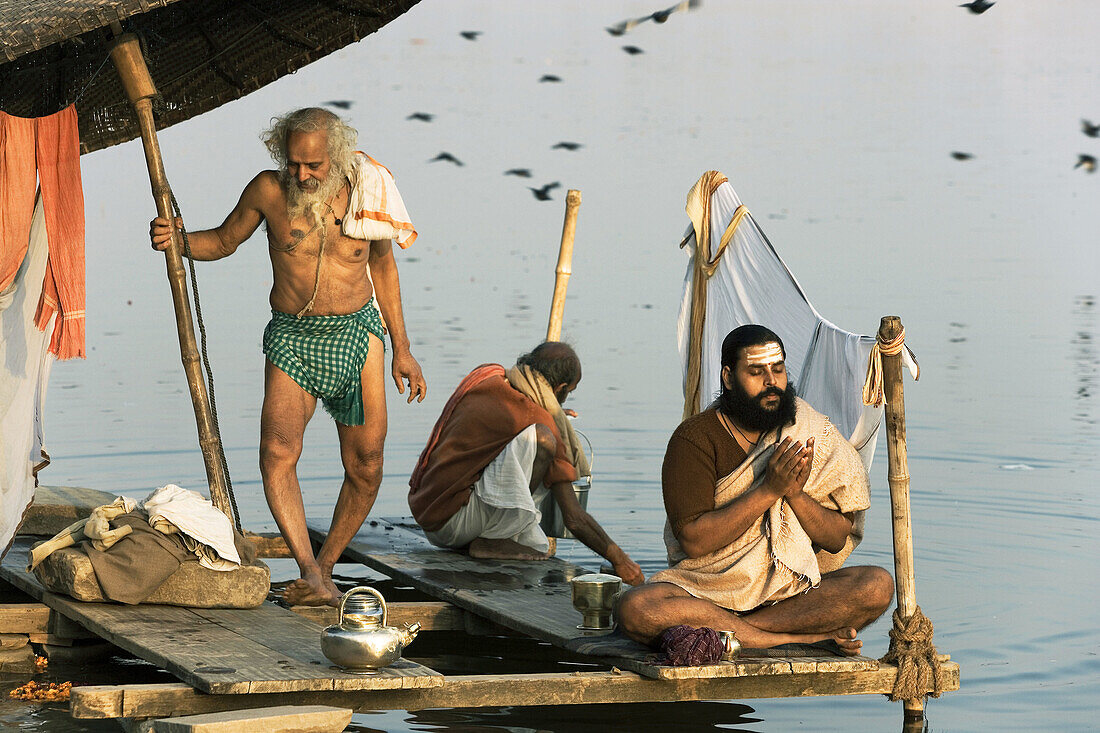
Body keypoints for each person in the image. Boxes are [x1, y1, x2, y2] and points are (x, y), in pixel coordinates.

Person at [149, 107, 427, 606]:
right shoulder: (268, 191)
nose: (302, 174)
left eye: (313, 166)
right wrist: (180, 241)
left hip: (358, 337)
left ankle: (322, 570)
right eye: (294, 163)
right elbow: (223, 240)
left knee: (367, 463)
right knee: (277, 455)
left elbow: (383, 267)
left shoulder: (368, 187)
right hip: (292, 339)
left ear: (335, 158)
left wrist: (403, 349)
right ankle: (306, 567)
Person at [616, 325, 893, 654]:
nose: (771, 382)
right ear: (728, 377)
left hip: (785, 597)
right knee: (635, 608)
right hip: (706, 590)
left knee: (877, 585)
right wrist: (768, 490)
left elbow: (835, 541)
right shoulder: (694, 438)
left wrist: (795, 494)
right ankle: (796, 639)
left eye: (778, 370)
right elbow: (693, 541)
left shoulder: (808, 430)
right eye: (756, 372)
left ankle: (733, 634)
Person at [407, 342, 644, 585]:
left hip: (428, 512)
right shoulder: (538, 418)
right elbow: (573, 518)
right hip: (452, 525)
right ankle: (494, 538)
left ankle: (490, 534)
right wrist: (620, 560)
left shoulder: (487, 375)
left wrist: (555, 415)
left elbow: (507, 418)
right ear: (560, 389)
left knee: (534, 438)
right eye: (568, 392)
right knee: (543, 440)